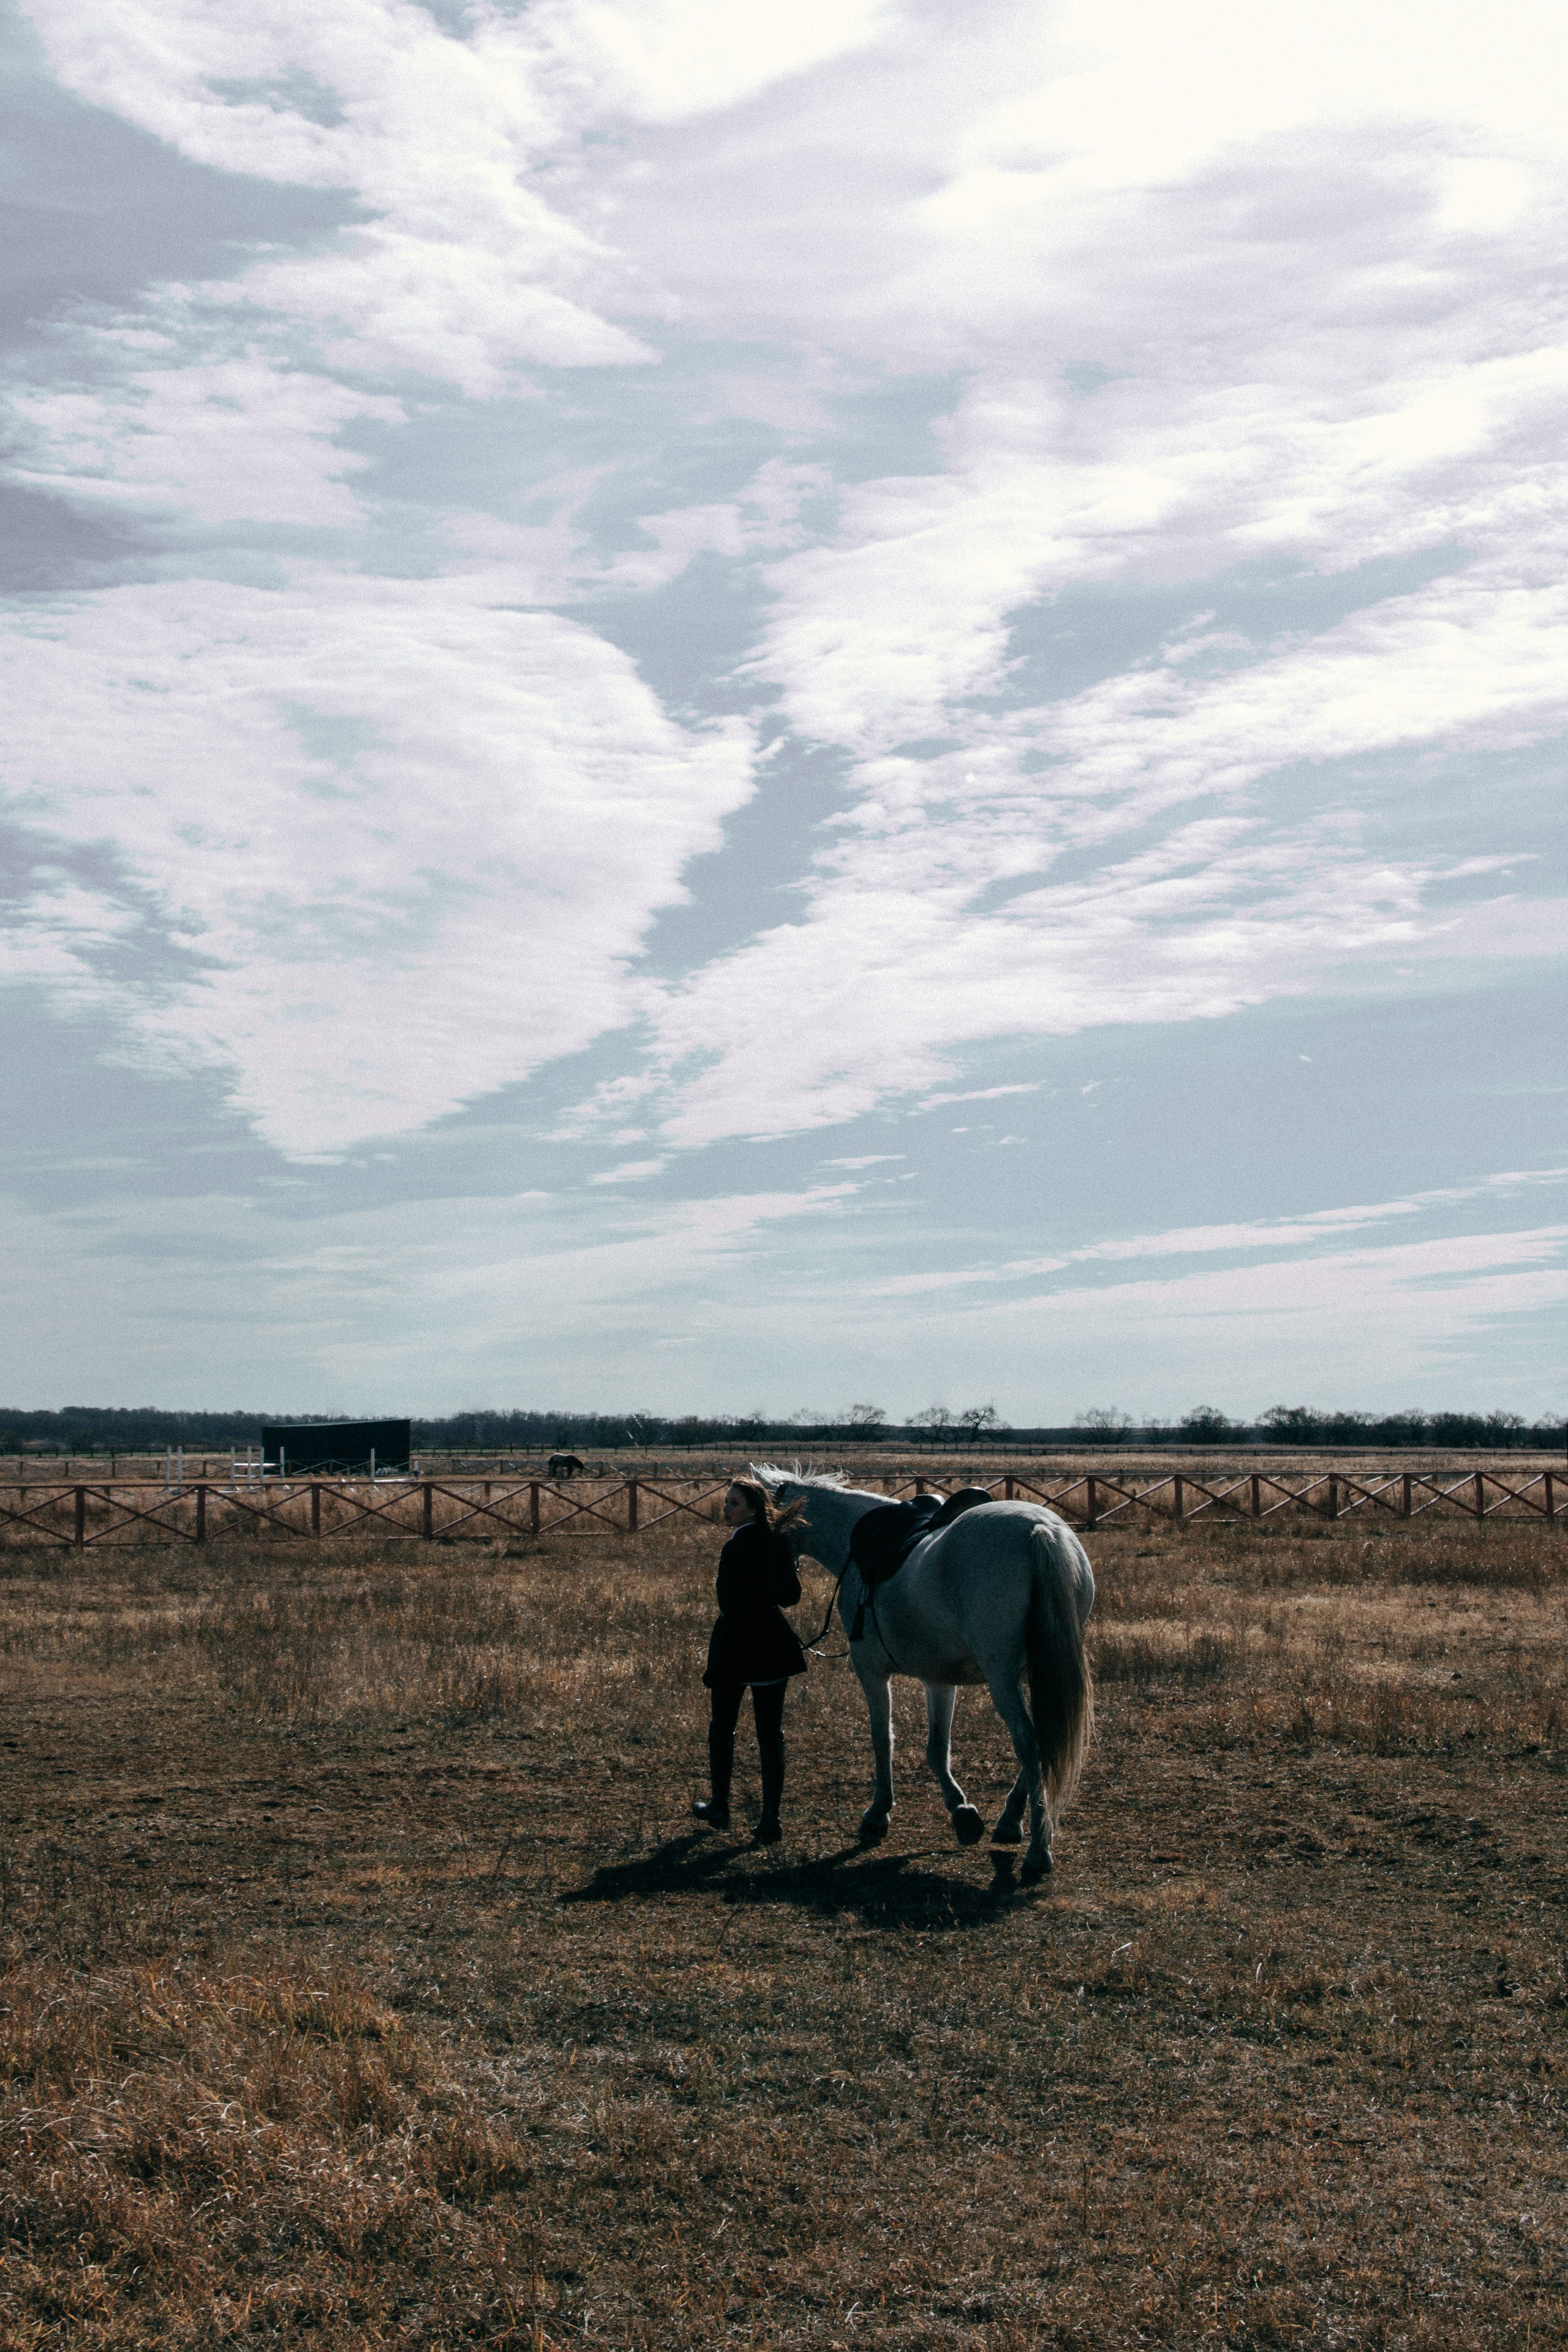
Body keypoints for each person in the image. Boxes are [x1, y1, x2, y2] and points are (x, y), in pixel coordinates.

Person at [695, 1478, 807, 1844]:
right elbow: (790, 1597)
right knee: (770, 1735)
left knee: (722, 1728)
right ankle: (770, 1820)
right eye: (726, 1501)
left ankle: (720, 1806)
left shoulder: (737, 1547)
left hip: (736, 1647)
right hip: (773, 1646)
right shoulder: (778, 1541)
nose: (726, 1509)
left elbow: (727, 1601)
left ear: (754, 1509)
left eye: (735, 1503)